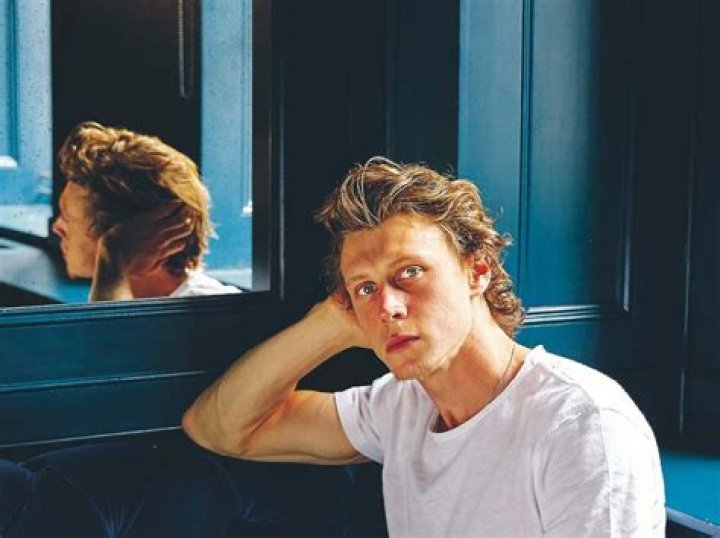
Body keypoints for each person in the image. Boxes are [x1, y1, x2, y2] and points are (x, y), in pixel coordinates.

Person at [183, 158, 666, 536]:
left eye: (409, 272)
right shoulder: (401, 407)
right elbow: (222, 429)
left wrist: (365, 296)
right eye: (365, 288)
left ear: (477, 271)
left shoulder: (580, 423)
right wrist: (327, 326)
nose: (387, 307)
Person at [52, 121, 240, 301]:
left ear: (139, 234)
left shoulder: (211, 312)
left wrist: (113, 257)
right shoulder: (130, 298)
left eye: (67, 217)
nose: (56, 227)